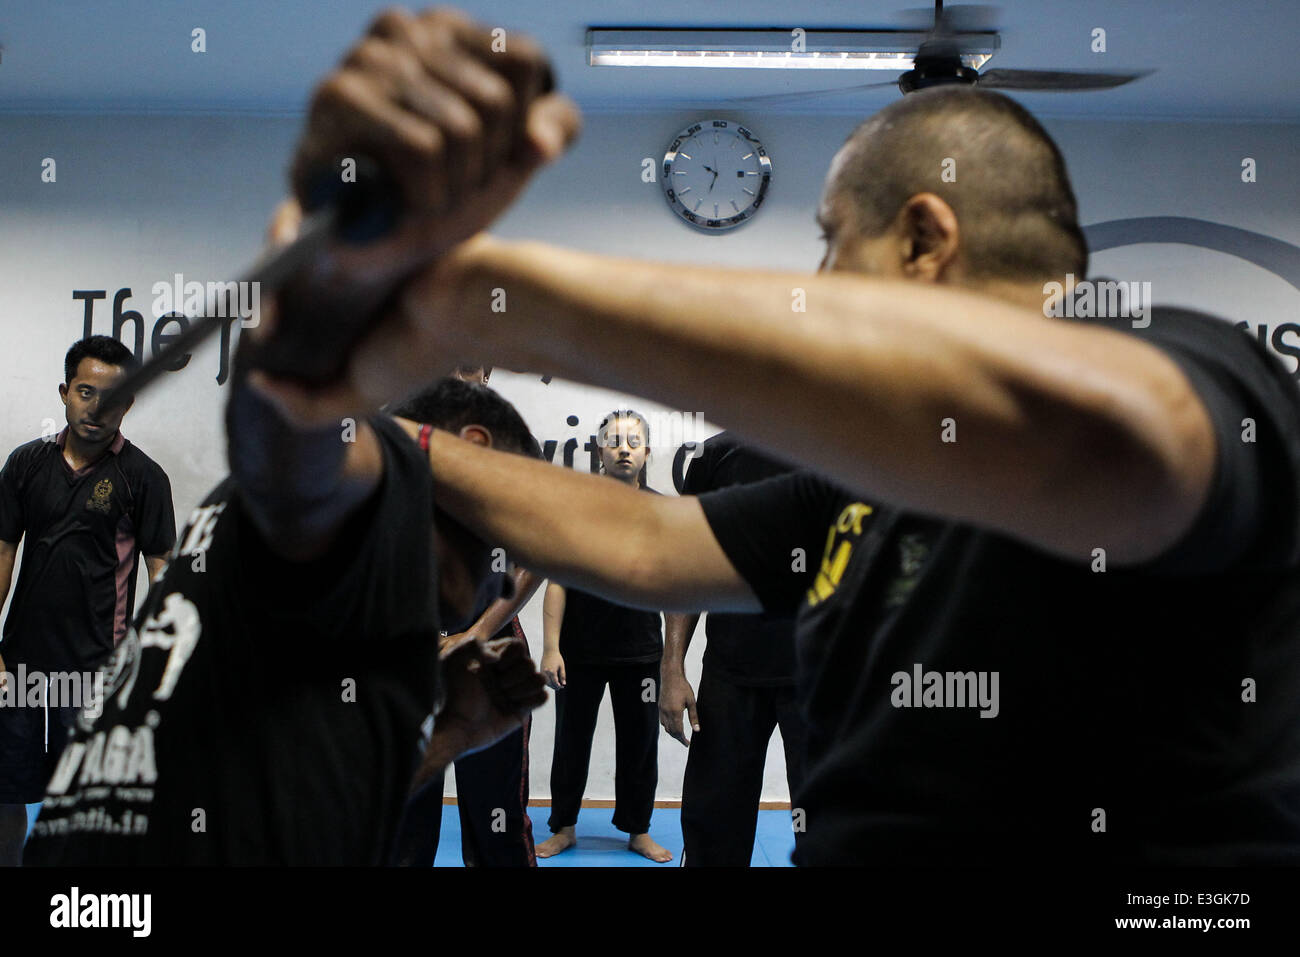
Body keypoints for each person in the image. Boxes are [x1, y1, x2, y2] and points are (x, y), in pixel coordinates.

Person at [283, 7, 1300, 865]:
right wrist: (381, 440)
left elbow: (1123, 444)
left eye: (828, 242)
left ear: (921, 239)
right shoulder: (870, 484)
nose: (815, 283)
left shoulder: (1198, 369)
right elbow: (645, 541)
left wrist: (493, 302)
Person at [0, 335, 175, 866]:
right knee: (6, 791)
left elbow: (161, 574)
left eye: (112, 397)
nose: (95, 407)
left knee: (85, 805)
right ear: (64, 392)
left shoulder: (143, 478)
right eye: (84, 391)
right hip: (20, 668)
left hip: (99, 673)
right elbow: (2, 554)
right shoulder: (26, 465)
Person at [389, 362, 545, 868]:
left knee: (496, 821)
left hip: (490, 648)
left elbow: (535, 554)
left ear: (487, 370)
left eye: (471, 360)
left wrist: (475, 633)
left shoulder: (512, 444)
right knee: (402, 824)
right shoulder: (393, 432)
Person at [662, 431, 807, 866]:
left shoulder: (847, 452)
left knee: (833, 829)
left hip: (824, 678)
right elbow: (686, 568)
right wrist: (672, 668)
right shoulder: (717, 455)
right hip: (730, 672)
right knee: (714, 830)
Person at [538, 410, 670, 862]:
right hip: (579, 651)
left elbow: (674, 587)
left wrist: (672, 661)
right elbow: (556, 580)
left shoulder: (659, 510)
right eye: (614, 442)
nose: (624, 449)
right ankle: (564, 826)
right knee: (570, 742)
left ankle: (637, 830)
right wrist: (551, 647)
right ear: (599, 451)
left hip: (641, 653)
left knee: (640, 748)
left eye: (633, 442)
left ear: (647, 452)